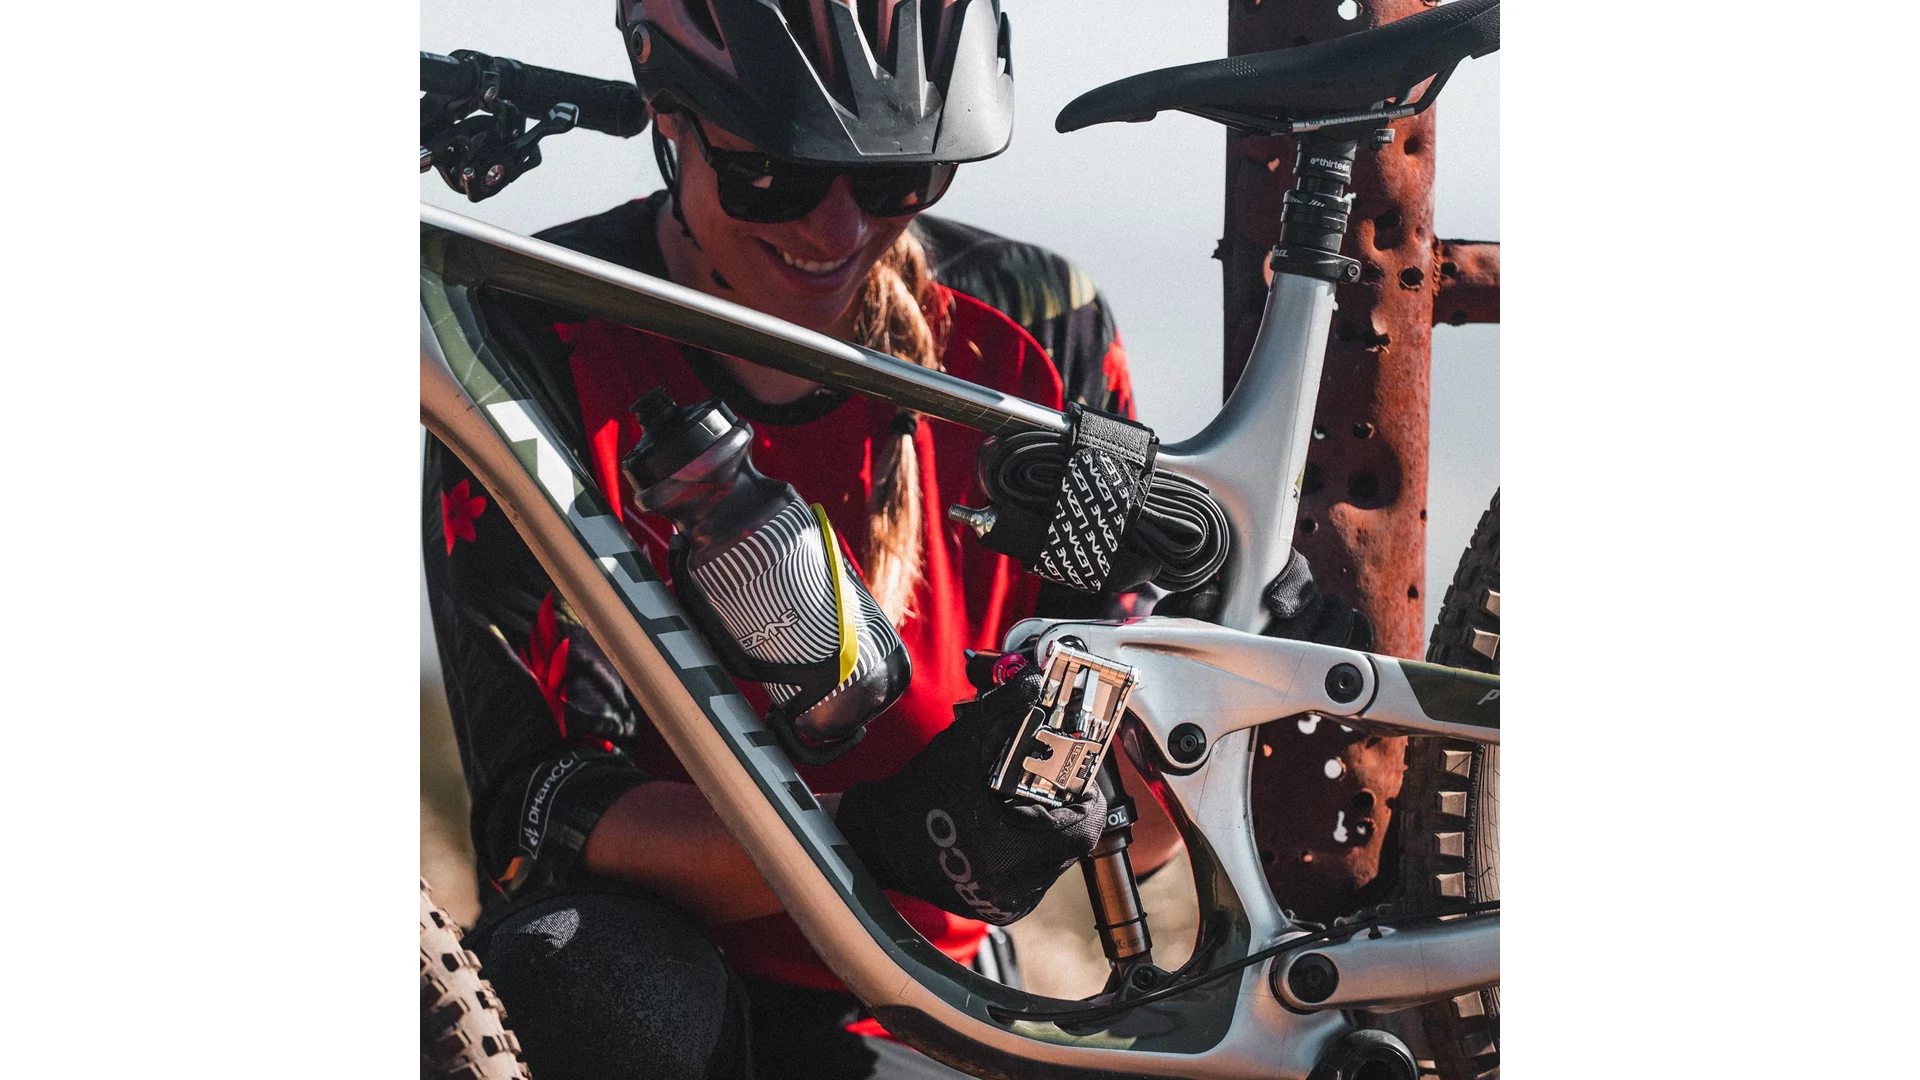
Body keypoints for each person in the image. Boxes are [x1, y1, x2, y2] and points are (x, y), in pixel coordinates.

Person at [422, 2, 1162, 1077]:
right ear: (667, 119)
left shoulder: (1040, 322)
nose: (837, 232)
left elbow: (1150, 782)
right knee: (592, 981)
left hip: (934, 994)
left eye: (896, 180)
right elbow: (544, 815)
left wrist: (1112, 767)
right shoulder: (528, 325)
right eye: (771, 174)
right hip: (658, 978)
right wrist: (877, 834)